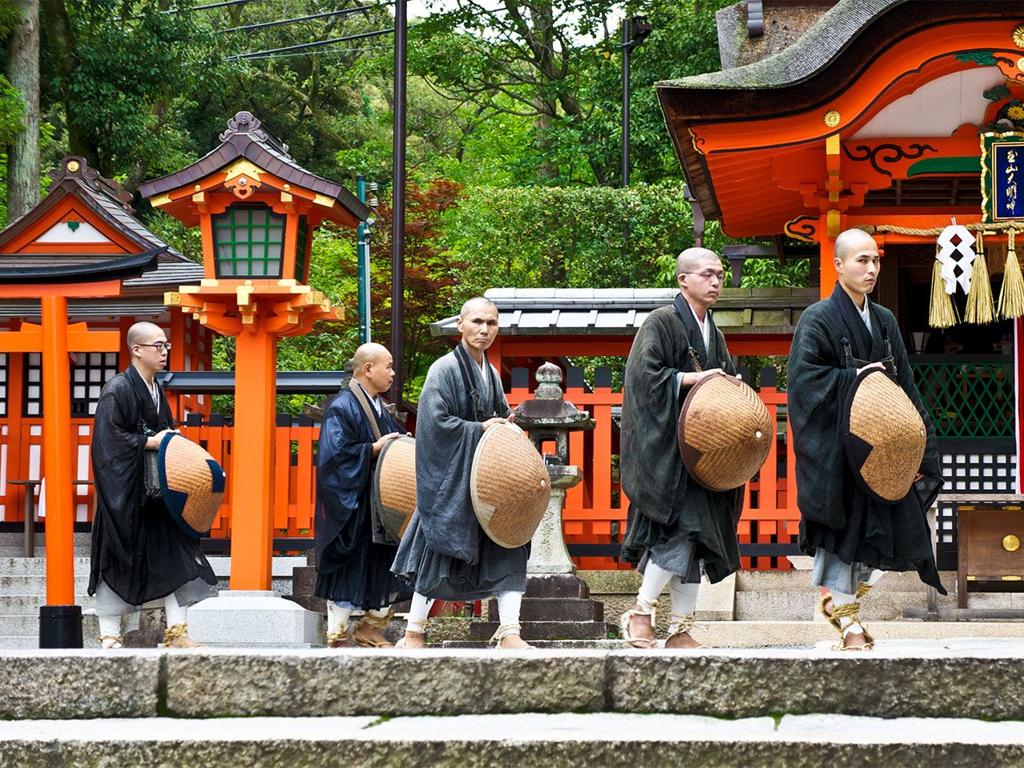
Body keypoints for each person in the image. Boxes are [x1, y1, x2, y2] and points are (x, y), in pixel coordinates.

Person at [788, 228, 945, 651]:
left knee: (897, 531)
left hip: (882, 452)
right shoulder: (818, 318)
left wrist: (919, 445)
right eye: (862, 260)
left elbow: (905, 388)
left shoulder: (886, 321)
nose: (872, 268)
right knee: (844, 535)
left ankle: (842, 606)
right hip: (839, 451)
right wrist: (852, 377)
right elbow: (804, 383)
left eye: (875, 260)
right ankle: (850, 622)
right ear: (838, 265)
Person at [618, 248, 744, 649]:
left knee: (699, 541)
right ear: (683, 280)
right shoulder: (660, 322)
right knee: (678, 534)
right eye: (707, 275)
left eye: (720, 275)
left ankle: (681, 628)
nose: (716, 282)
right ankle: (641, 612)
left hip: (705, 457)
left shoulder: (716, 334)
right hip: (671, 455)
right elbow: (644, 380)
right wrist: (692, 379)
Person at [392, 296, 531, 649]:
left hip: (488, 482)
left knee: (508, 544)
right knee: (438, 552)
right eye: (477, 322)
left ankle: (510, 631)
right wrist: (479, 430)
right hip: (452, 480)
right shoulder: (444, 369)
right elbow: (434, 425)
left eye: (492, 324)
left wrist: (504, 425)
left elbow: (496, 416)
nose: (484, 330)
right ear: (460, 325)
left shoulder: (492, 375)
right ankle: (413, 632)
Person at [88, 322, 216, 649]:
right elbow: (108, 443)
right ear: (136, 350)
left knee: (178, 558)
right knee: (118, 561)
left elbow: (163, 436)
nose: (164, 352)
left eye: (165, 345)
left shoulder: (156, 390)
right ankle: (109, 635)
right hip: (127, 497)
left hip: (157, 497)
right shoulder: (117, 389)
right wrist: (149, 442)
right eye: (157, 346)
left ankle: (177, 634)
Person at [314, 342, 410, 647]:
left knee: (382, 565)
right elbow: (334, 457)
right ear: (368, 369)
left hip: (376, 505)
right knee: (348, 567)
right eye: (389, 366)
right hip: (352, 505)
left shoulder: (377, 405)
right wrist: (373, 449)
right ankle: (337, 633)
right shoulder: (343, 405)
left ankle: (369, 628)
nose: (393, 373)